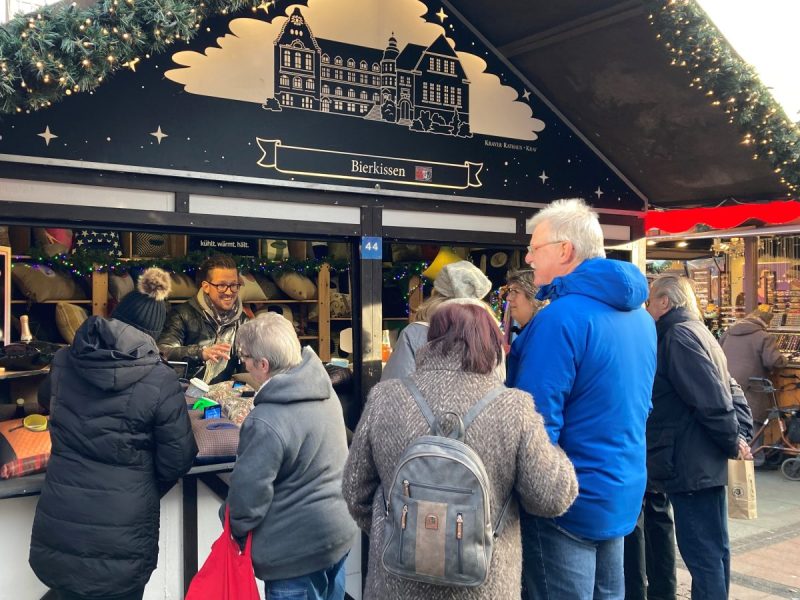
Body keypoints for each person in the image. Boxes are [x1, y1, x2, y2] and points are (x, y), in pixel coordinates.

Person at [343, 299, 579, 599]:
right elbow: (551, 498)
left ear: (431, 338)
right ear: (492, 343)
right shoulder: (513, 408)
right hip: (484, 584)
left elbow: (355, 491)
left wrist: (401, 534)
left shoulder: (385, 398)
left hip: (395, 583)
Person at [506, 198, 656, 599]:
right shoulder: (641, 318)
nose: (529, 257)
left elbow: (535, 423)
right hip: (620, 490)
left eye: (535, 248)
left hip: (566, 501)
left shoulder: (559, 319)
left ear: (565, 250)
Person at [29, 268, 198, 600]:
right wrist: (143, 485)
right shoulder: (160, 379)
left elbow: (47, 399)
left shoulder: (65, 362)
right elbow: (178, 458)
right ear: (152, 334)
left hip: (63, 519)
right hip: (124, 530)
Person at [222, 313, 357, 600]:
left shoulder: (266, 420)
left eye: (244, 357)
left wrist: (231, 523)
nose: (242, 363)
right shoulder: (323, 391)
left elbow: (248, 498)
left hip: (293, 552)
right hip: (336, 533)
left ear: (262, 365)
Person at [645, 274, 751, 599]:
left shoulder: (676, 336)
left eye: (650, 301)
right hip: (702, 460)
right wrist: (739, 435)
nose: (646, 308)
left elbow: (711, 399)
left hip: (690, 464)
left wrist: (734, 440)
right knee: (714, 551)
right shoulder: (697, 331)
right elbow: (732, 390)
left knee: (703, 553)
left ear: (665, 301)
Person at [381, 259, 492, 381]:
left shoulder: (415, 333)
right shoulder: (491, 334)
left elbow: (395, 383)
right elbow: (498, 380)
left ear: (436, 293)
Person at [158, 254, 248, 384]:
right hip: (185, 393)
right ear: (206, 286)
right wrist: (200, 353)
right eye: (221, 285)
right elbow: (163, 351)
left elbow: (247, 368)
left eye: (234, 285)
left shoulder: (242, 321)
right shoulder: (182, 314)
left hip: (222, 396)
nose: (229, 292)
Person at [720, 307, 787, 425]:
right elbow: (774, 362)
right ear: (765, 323)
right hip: (751, 392)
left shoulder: (728, 334)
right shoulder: (764, 336)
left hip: (726, 391)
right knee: (753, 434)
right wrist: (785, 360)